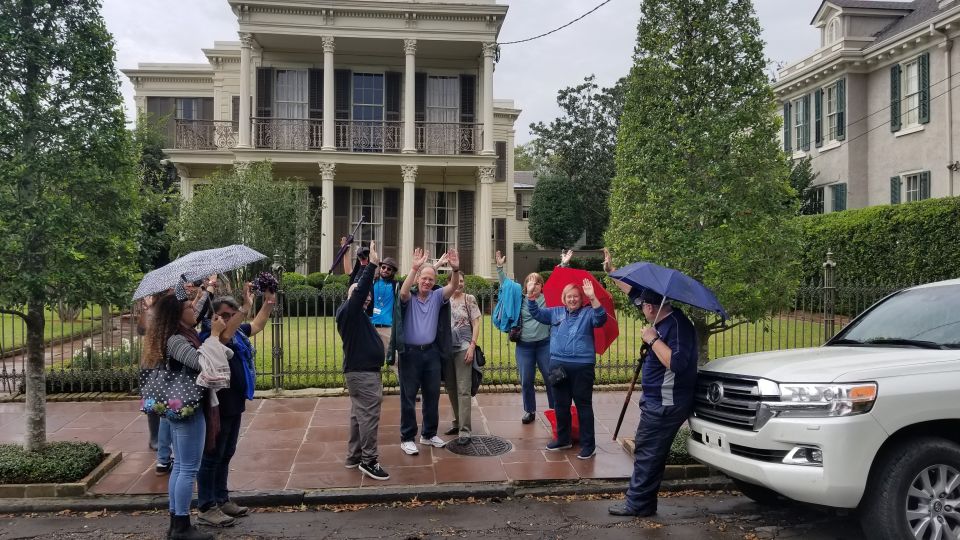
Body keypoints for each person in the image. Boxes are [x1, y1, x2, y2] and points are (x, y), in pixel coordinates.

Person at [608, 288, 699, 518]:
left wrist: (653, 338)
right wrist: (612, 272)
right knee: (650, 452)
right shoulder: (667, 320)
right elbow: (632, 294)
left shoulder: (677, 326)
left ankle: (638, 505)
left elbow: (676, 363)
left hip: (665, 403)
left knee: (647, 451)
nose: (640, 310)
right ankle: (644, 503)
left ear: (650, 307)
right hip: (658, 400)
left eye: (642, 307)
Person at [146, 287, 228, 540]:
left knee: (181, 466)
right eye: (189, 308)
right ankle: (181, 526)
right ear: (178, 315)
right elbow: (201, 364)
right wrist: (214, 336)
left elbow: (201, 309)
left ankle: (177, 522)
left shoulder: (179, 333)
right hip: (187, 409)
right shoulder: (176, 340)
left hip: (181, 408)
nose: (194, 309)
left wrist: (204, 292)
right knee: (187, 468)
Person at [195, 285, 276, 526]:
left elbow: (258, 325)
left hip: (235, 404)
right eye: (225, 315)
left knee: (226, 453)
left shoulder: (236, 333)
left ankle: (222, 499)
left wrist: (268, 302)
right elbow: (225, 336)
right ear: (214, 317)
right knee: (212, 455)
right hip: (217, 405)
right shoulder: (211, 337)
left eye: (232, 314)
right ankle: (206, 506)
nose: (230, 319)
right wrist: (245, 307)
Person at [390, 247, 459, 456]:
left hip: (431, 354)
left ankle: (428, 434)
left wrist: (455, 270)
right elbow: (402, 292)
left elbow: (453, 286)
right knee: (408, 397)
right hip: (409, 354)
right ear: (418, 278)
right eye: (424, 278)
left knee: (432, 396)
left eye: (431, 279)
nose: (427, 282)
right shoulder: (408, 297)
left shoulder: (437, 296)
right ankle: (407, 437)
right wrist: (413, 268)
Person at [528, 278, 607, 460]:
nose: (572, 300)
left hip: (582, 367)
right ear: (563, 298)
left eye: (576, 297)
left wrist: (592, 297)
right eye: (569, 296)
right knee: (560, 405)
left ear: (581, 299)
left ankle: (589, 445)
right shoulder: (555, 312)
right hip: (558, 365)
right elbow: (537, 314)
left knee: (583, 406)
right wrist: (531, 296)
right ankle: (563, 439)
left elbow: (601, 319)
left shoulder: (589, 313)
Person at [336, 241, 390, 481]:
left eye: (369, 296)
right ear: (353, 296)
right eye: (363, 295)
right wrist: (373, 267)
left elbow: (359, 289)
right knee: (368, 417)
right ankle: (369, 461)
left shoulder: (356, 314)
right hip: (362, 374)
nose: (367, 298)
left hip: (363, 372)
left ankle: (353, 456)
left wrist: (362, 263)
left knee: (358, 416)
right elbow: (358, 290)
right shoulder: (348, 312)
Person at [494, 250, 555, 424]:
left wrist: (564, 264)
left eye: (537, 283)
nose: (534, 285)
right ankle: (530, 410)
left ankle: (554, 408)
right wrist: (499, 267)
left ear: (542, 286)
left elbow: (558, 280)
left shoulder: (547, 298)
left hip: (544, 344)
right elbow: (505, 285)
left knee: (550, 377)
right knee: (526, 380)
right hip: (525, 346)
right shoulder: (519, 299)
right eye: (530, 282)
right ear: (525, 284)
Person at [138, 293, 174, 475]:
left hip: (166, 364)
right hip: (151, 364)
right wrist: (146, 310)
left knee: (168, 405)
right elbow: (142, 330)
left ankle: (164, 446)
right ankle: (155, 438)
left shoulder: (172, 309)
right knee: (151, 403)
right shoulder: (152, 310)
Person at [443, 274, 481, 444]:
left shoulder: (469, 299)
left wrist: (472, 346)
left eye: (461, 281)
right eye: (455, 281)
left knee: (463, 389)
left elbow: (477, 323)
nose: (459, 283)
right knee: (451, 387)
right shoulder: (444, 298)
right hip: (447, 348)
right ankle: (457, 422)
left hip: (464, 347)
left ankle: (465, 430)